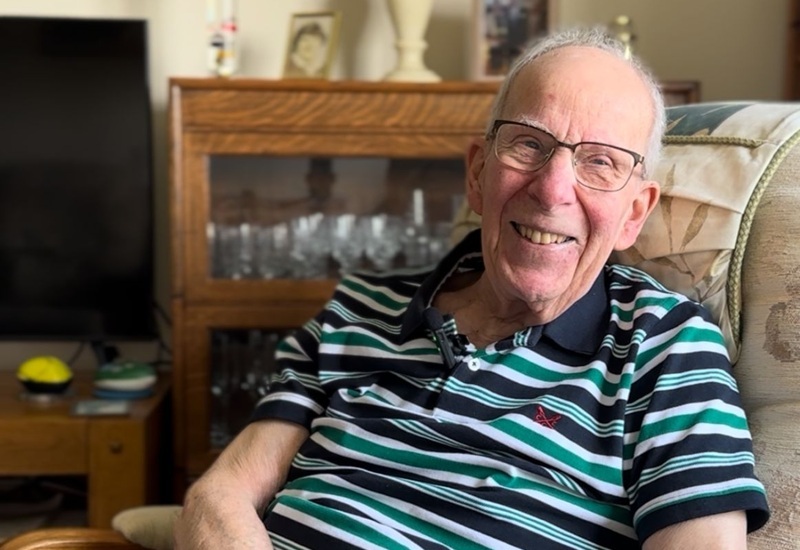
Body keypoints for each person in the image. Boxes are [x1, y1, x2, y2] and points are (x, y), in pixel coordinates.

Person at [175, 27, 770, 549]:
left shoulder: (665, 347)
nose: (553, 189)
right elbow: (220, 495)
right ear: (479, 174)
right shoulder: (356, 309)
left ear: (635, 214)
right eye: (530, 144)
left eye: (601, 162)